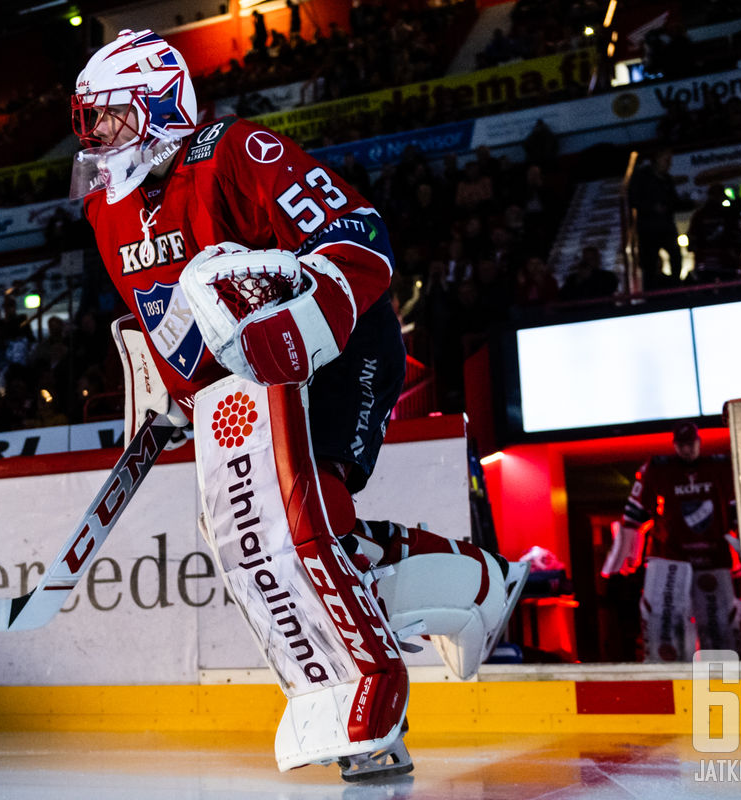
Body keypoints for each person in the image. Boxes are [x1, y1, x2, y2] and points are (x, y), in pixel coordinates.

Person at [71, 29, 525, 781]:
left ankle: (388, 688)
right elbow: (163, 321)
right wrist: (174, 388)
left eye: (111, 115)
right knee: (288, 539)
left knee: (307, 514)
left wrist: (305, 315)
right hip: (248, 388)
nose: (94, 136)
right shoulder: (106, 213)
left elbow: (361, 237)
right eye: (88, 117)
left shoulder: (234, 152)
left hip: (341, 348)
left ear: (159, 105)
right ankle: (475, 586)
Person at [602, 422, 741, 662]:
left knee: (717, 622)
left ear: (699, 442)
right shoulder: (657, 469)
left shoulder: (721, 467)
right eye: (682, 445)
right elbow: (633, 516)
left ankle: (726, 676)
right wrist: (621, 561)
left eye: (691, 444)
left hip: (714, 560)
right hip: (670, 561)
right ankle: (670, 675)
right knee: (666, 619)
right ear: (675, 446)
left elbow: (737, 515)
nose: (687, 450)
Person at [627, 148, 683, 291]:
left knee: (676, 256)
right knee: (649, 263)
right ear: (657, 159)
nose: (669, 164)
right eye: (666, 160)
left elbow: (674, 201)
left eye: (670, 160)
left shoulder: (667, 179)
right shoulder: (642, 177)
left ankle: (676, 286)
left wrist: (689, 204)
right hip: (648, 229)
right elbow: (633, 199)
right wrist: (652, 207)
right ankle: (650, 294)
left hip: (666, 227)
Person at [686, 184, 741, 284]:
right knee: (728, 289)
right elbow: (737, 234)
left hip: (717, 259)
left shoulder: (700, 214)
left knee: (709, 288)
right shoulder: (726, 213)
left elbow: (692, 236)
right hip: (718, 259)